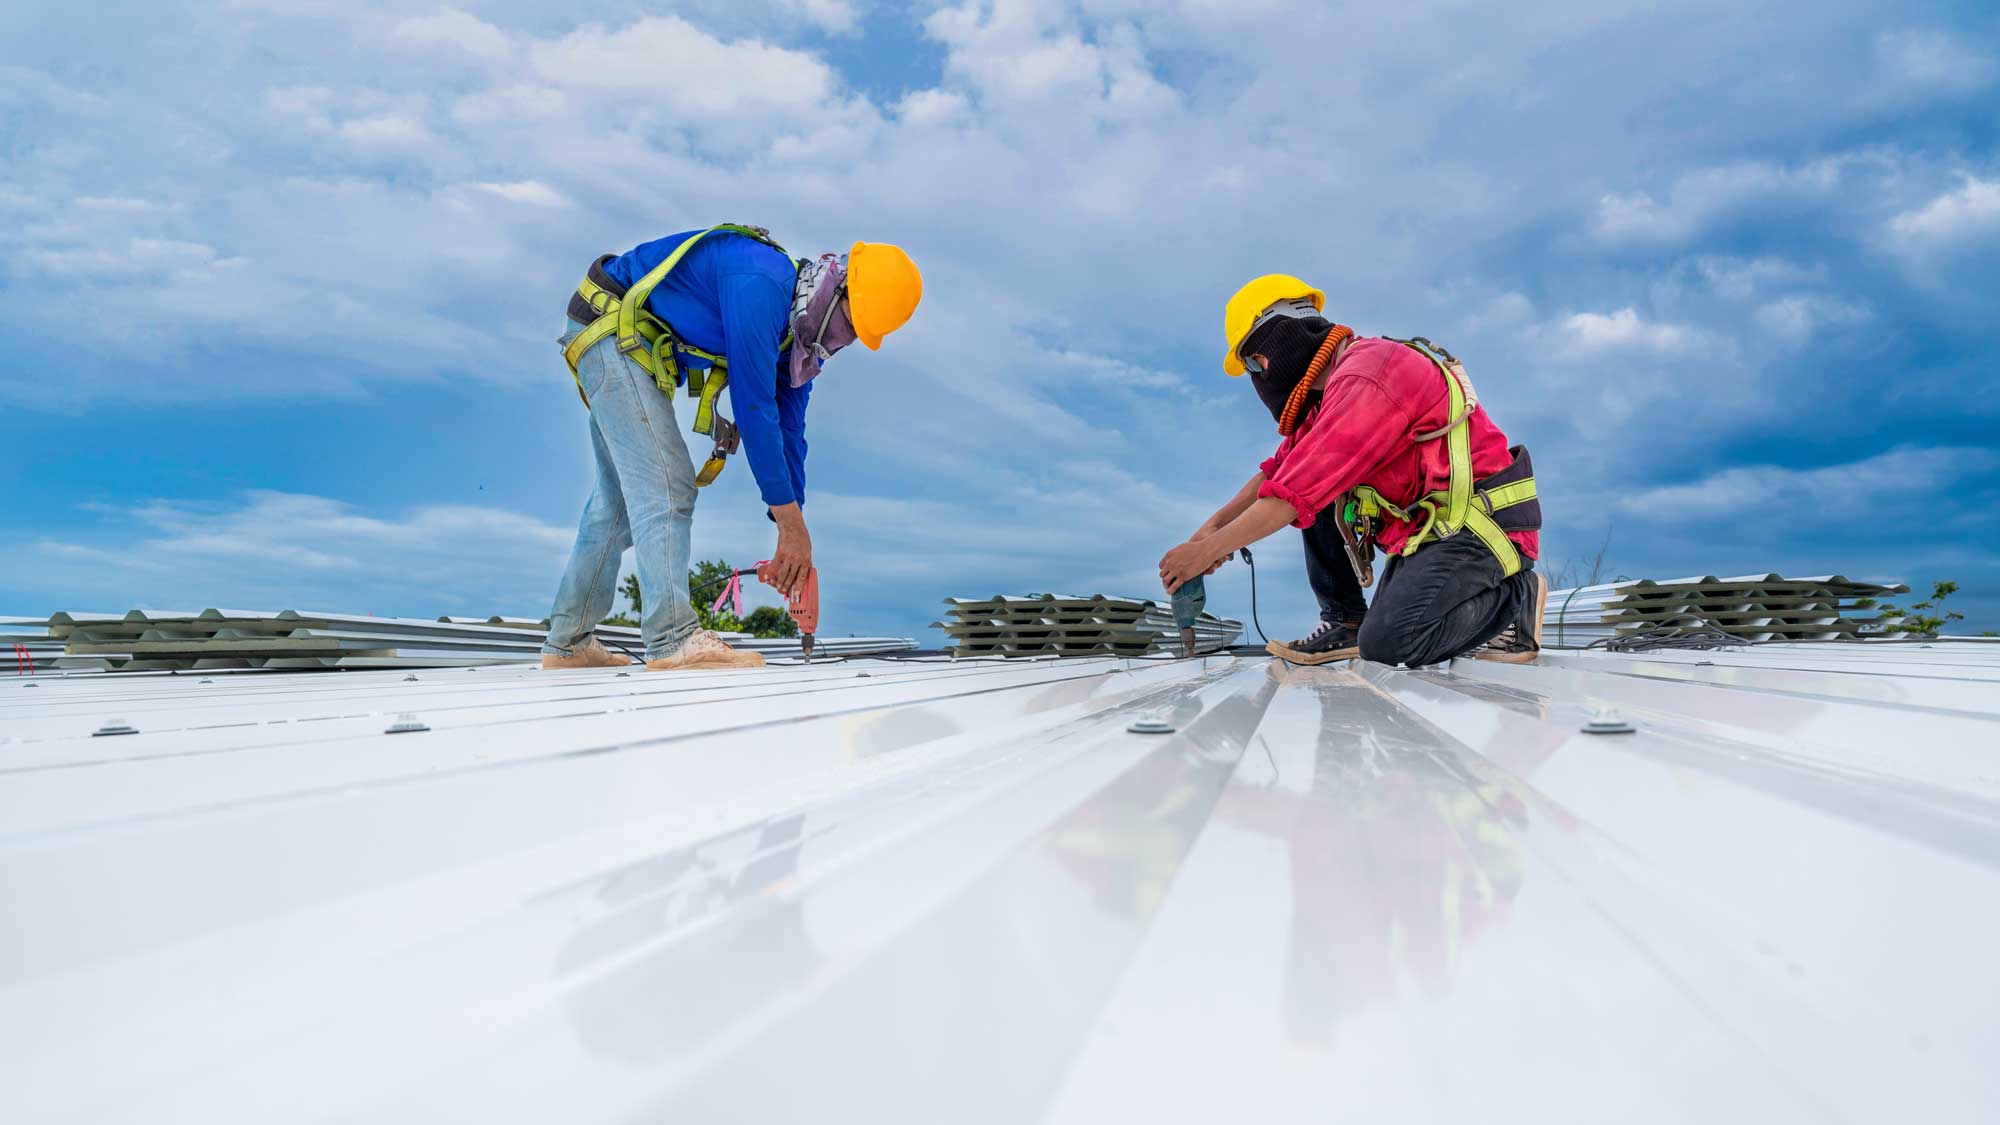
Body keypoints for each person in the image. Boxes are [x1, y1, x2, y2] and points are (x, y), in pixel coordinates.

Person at [541, 225, 921, 671]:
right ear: (837, 290)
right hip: (610, 330)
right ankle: (671, 638)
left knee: (618, 504)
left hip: (620, 338)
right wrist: (791, 526)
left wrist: (791, 525)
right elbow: (754, 407)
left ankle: (568, 643)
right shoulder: (762, 284)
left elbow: (788, 429)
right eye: (851, 326)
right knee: (669, 486)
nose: (844, 341)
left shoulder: (794, 339)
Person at [1158, 275, 1546, 667]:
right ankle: (1345, 621)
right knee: (1309, 476)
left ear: (1268, 348)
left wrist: (1207, 552)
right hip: (1433, 530)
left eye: (1252, 364)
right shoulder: (1330, 397)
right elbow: (1278, 473)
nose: (1258, 376)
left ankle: (1515, 599)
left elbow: (1293, 494)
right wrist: (1209, 530)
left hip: (1480, 527)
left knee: (1392, 644)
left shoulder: (1369, 373)